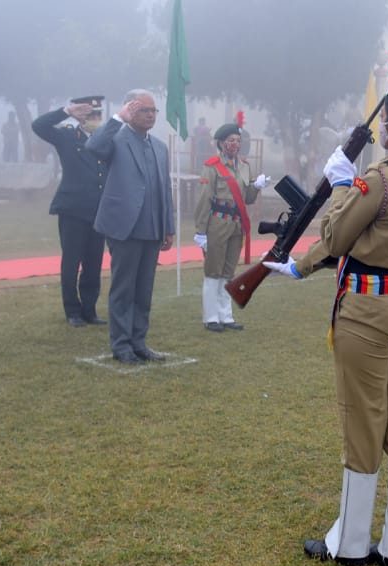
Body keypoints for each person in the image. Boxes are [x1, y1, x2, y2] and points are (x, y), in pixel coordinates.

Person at [262, 72, 388, 566]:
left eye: (387, 120)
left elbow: (336, 234)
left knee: (362, 420)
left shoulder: (380, 179)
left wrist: (343, 184)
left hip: (368, 307)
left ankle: (352, 541)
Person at [85, 89, 175, 365]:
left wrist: (168, 227)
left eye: (153, 111)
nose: (150, 115)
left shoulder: (159, 147)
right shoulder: (117, 138)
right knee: (124, 288)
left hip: (151, 227)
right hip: (124, 227)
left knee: (143, 290)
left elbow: (164, 189)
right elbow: (94, 147)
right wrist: (117, 118)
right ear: (130, 110)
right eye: (143, 110)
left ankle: (139, 342)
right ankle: (121, 344)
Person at [32, 95, 109, 328]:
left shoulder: (106, 139)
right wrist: (66, 111)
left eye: (97, 115)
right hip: (73, 209)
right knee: (72, 262)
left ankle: (89, 309)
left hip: (98, 210)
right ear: (80, 116)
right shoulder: (67, 136)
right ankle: (72, 310)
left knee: (94, 263)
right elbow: (39, 126)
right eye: (89, 115)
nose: (94, 119)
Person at [193, 116, 269, 332]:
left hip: (236, 224)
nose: (235, 144)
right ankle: (211, 317)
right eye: (230, 140)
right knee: (213, 271)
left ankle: (226, 316)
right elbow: (204, 199)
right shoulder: (212, 167)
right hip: (217, 223)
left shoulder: (245, 166)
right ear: (221, 143)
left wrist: (257, 186)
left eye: (237, 140)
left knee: (228, 272)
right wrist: (201, 231)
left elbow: (248, 198)